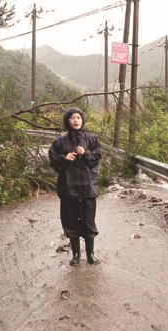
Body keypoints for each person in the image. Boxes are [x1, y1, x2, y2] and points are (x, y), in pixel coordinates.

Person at [49, 107, 103, 266]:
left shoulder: (91, 139)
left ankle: (91, 254)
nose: (76, 120)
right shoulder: (60, 142)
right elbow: (52, 160)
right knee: (70, 221)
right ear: (67, 121)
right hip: (68, 187)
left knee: (88, 220)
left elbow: (97, 159)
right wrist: (64, 157)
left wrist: (85, 153)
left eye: (78, 117)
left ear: (82, 120)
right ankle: (76, 255)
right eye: (72, 117)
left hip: (88, 187)